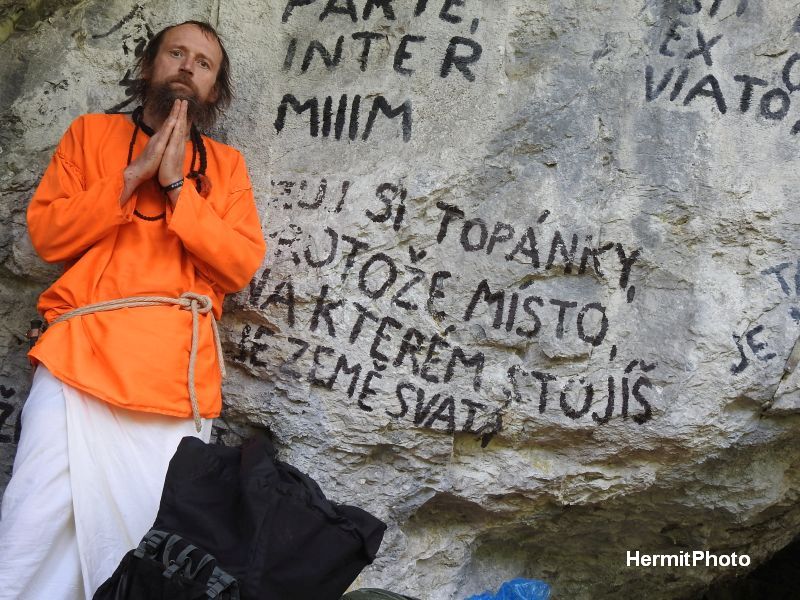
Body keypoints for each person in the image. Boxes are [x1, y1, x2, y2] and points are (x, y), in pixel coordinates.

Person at [0, 20, 265, 599]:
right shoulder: (90, 136)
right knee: (34, 517)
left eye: (203, 63)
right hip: (77, 359)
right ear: (151, 65)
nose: (187, 68)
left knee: (144, 539)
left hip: (172, 379)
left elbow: (239, 264)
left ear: (214, 90)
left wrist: (175, 188)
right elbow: (48, 234)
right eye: (176, 53)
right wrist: (131, 177)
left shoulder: (225, 168)